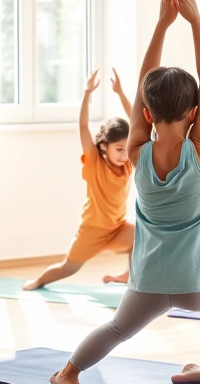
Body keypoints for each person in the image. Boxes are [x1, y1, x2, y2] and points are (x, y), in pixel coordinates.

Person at [50, 0, 200, 384]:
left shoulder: (135, 153)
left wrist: (162, 24)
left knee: (116, 328)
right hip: (196, 285)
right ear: (195, 112)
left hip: (147, 281)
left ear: (146, 114)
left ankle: (68, 373)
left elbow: (144, 83)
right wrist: (195, 21)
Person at [23, 68, 134, 290]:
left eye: (127, 149)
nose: (124, 155)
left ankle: (128, 277)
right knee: (68, 268)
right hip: (92, 230)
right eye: (119, 149)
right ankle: (39, 280)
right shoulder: (94, 162)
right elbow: (83, 126)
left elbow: (139, 126)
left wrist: (120, 93)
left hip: (116, 228)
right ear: (104, 147)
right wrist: (86, 94)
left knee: (142, 237)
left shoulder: (129, 163)